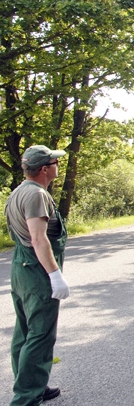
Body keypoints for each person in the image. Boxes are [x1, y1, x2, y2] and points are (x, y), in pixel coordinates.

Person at [6, 145, 70, 405]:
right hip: (36, 269)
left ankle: (33, 384)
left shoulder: (18, 192)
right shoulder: (36, 195)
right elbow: (38, 238)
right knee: (41, 334)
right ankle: (26, 398)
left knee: (24, 331)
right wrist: (55, 275)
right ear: (45, 168)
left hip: (22, 268)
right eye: (55, 162)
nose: (58, 165)